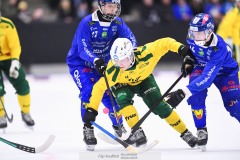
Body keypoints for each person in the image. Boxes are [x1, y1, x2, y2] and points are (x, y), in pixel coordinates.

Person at [83, 37, 199, 149]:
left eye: (123, 60)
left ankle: (185, 133)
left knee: (160, 106)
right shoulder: (114, 69)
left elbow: (166, 42)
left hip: (144, 79)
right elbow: (99, 88)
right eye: (116, 61)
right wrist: (91, 109)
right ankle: (137, 131)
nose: (120, 64)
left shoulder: (147, 53)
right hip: (122, 85)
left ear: (131, 55)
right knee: (123, 101)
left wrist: (182, 50)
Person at [66, 0, 139, 151]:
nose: (112, 10)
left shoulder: (118, 23)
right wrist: (95, 59)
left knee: (109, 93)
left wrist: (132, 53)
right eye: (109, 6)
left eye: (115, 7)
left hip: (104, 63)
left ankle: (117, 124)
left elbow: (131, 40)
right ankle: (88, 128)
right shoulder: (87, 23)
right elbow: (82, 49)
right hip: (81, 63)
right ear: (100, 6)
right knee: (89, 91)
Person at [166, 13, 240, 151]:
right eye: (193, 32)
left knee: (233, 104)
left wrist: (182, 92)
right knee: (196, 96)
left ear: (209, 32)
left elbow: (206, 79)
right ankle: (201, 129)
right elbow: (193, 52)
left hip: (225, 73)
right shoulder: (192, 38)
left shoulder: (219, 48)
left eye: (199, 33)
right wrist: (188, 60)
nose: (194, 36)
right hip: (202, 66)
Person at [0, 16, 35, 129]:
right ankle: (1, 115)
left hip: (8, 59)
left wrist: (15, 62)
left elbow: (15, 45)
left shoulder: (7, 24)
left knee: (22, 84)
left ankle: (26, 112)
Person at [217, 0, 240, 77]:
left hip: (233, 39)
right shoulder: (234, 12)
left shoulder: (234, 11)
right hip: (232, 40)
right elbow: (227, 26)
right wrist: (228, 38)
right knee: (236, 60)